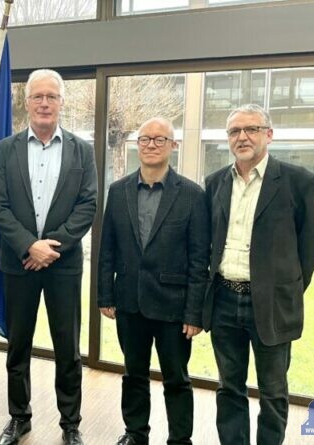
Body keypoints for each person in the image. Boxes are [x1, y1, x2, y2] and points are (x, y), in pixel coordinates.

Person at [0, 69, 98, 445]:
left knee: (67, 348)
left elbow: (88, 205)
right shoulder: (4, 150)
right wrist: (27, 246)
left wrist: (50, 247)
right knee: (18, 346)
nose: (45, 103)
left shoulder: (83, 149)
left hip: (63, 266)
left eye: (52, 96)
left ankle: (71, 424)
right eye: (38, 96)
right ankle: (19, 418)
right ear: (27, 102)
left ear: (62, 102)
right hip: (18, 264)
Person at [202, 104, 314, 445]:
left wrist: (285, 290)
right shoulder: (215, 184)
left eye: (251, 129)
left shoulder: (299, 182)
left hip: (271, 304)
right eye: (234, 131)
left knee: (273, 391)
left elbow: (308, 250)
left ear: (268, 135)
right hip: (224, 300)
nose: (242, 137)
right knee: (229, 387)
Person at [98, 117, 209, 445]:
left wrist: (194, 313)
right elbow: (108, 247)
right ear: (137, 145)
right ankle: (135, 433)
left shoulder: (192, 194)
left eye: (160, 139)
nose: (150, 145)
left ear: (173, 146)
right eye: (145, 139)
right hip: (129, 301)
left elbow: (199, 258)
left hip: (173, 307)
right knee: (133, 375)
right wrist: (105, 293)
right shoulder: (118, 191)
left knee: (176, 378)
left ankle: (179, 439)